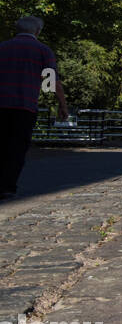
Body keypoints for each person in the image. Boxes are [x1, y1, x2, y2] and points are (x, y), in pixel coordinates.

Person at [0, 16, 67, 199]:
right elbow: (51, 82)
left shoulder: (3, 48)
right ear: (37, 31)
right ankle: (6, 185)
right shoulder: (42, 50)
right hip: (25, 105)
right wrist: (62, 104)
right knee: (17, 147)